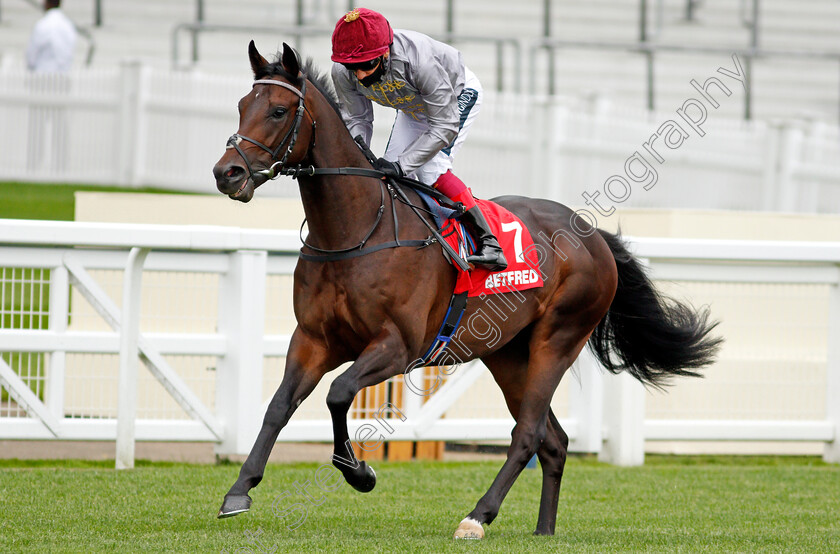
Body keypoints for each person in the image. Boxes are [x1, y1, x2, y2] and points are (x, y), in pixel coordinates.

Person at [330, 8, 507, 271]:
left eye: (367, 65)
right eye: (352, 67)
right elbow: (358, 119)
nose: (360, 76)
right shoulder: (342, 72)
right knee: (389, 174)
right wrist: (360, 155)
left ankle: (489, 241)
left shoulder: (420, 61)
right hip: (415, 106)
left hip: (455, 95)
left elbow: (445, 125)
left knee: (429, 169)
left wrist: (403, 165)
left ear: (385, 51)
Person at [25, 0, 77, 172]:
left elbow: (31, 56)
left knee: (37, 126)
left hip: (42, 79)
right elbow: (70, 53)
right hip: (62, 80)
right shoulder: (68, 26)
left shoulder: (42, 26)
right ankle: (61, 164)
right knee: (60, 125)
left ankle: (34, 163)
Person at [25, 0, 77, 74]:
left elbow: (32, 53)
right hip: (63, 75)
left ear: (47, 3)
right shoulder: (68, 25)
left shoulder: (42, 25)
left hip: (41, 76)